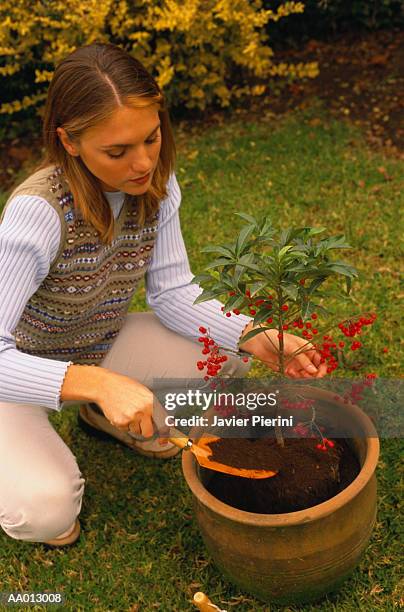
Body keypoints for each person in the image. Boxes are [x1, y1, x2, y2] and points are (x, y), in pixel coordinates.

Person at [0, 42, 327, 547]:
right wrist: (99, 382)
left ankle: (96, 416)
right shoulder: (37, 214)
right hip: (14, 373)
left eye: (152, 138)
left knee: (224, 358)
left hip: (94, 342)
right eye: (118, 151)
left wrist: (255, 334)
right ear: (69, 141)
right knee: (49, 515)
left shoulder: (155, 185)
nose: (143, 161)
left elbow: (173, 291)